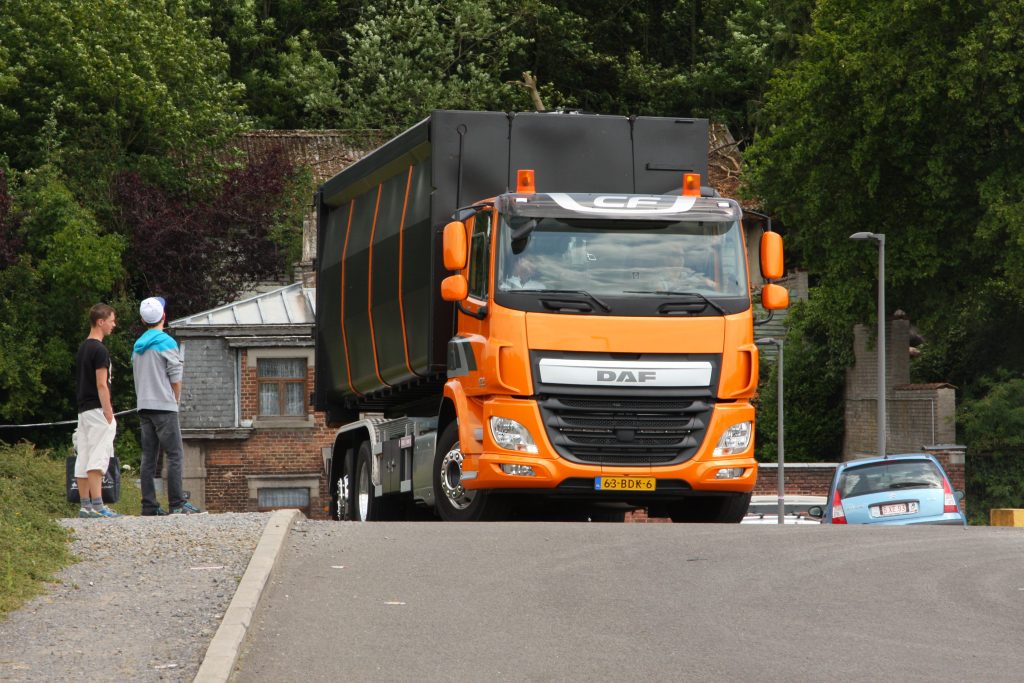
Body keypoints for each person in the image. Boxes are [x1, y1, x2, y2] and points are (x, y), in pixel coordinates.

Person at [132, 296, 202, 515]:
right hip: (164, 405)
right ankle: (177, 504)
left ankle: (149, 505)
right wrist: (175, 400)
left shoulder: (137, 346)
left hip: (144, 406)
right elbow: (175, 376)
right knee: (174, 454)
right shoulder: (167, 342)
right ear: (164, 316)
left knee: (149, 457)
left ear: (143, 321)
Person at [74, 303, 121, 518]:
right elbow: (102, 384)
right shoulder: (100, 349)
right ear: (100, 321)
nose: (114, 324)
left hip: (83, 410)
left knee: (83, 455)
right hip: (97, 409)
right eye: (111, 320)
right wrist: (108, 411)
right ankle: (99, 504)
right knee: (98, 456)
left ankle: (85, 505)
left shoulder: (83, 347)